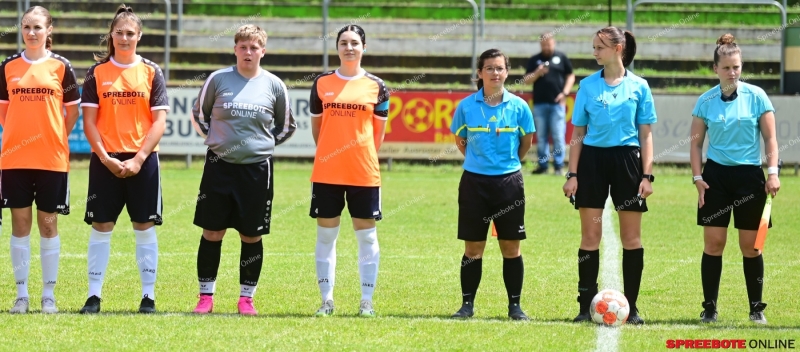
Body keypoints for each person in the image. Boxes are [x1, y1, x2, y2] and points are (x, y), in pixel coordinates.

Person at [191, 24, 296, 316]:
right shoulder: (218, 79)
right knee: (212, 232)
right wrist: (216, 140)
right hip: (218, 167)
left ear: (263, 50)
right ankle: (205, 297)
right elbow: (200, 113)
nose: (248, 52)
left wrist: (263, 145)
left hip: (257, 170)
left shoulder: (274, 85)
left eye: (254, 47)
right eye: (243, 47)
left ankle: (246, 298)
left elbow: (286, 126)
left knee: (251, 235)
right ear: (235, 49)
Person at [562, 26, 656, 325]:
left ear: (618, 49)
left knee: (632, 238)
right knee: (590, 236)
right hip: (592, 163)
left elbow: (646, 134)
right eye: (593, 47)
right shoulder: (587, 86)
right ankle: (583, 306)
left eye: (599, 47)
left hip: (628, 162)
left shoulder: (640, 86)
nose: (594, 52)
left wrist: (647, 175)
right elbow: (578, 133)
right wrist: (572, 173)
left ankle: (632, 307)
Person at [79, 4, 169, 314]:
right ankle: (93, 296)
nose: (125, 37)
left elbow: (159, 123)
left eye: (130, 33)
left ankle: (148, 297)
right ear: (111, 36)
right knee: (101, 225)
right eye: (119, 32)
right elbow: (89, 122)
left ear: (139, 36)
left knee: (144, 226)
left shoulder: (151, 71)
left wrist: (139, 158)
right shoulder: (98, 72)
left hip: (142, 162)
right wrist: (105, 158)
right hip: (105, 161)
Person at [689, 33, 780, 325]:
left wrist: (773, 173)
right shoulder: (705, 101)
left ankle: (756, 309)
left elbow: (771, 139)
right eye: (727, 67)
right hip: (715, 178)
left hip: (750, 178)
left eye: (737, 67)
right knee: (713, 244)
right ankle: (710, 309)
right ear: (715, 68)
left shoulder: (757, 97)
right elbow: (695, 143)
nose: (732, 72)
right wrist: (697, 177)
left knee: (752, 246)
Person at [0, 5, 80, 314]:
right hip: (15, 159)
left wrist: (54, 134)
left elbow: (72, 111)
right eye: (26, 27)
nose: (31, 32)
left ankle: (48, 296)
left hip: (52, 159)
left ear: (49, 32)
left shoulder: (61, 67)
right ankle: (22, 295)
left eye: (37, 27)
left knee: (48, 226)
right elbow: (4, 113)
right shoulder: (8, 66)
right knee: (20, 225)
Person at [449, 48, 535, 321]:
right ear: (479, 73)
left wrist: (505, 165)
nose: (495, 73)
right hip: (474, 183)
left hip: (509, 183)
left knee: (511, 248)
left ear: (507, 72)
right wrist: (480, 163)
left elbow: (525, 144)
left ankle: (515, 307)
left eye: (500, 68)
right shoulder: (466, 106)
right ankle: (466, 306)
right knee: (473, 248)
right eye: (489, 68)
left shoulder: (520, 107)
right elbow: (460, 141)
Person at [309, 24, 389, 318]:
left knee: (367, 237)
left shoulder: (377, 86)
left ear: (364, 47)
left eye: (355, 42)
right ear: (337, 47)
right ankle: (326, 300)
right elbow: (318, 130)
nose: (349, 47)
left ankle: (366, 301)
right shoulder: (321, 84)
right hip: (327, 172)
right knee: (325, 237)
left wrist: (359, 155)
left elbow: (377, 136)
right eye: (343, 42)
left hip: (363, 173)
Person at [524, 32, 575, 175]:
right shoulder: (535, 60)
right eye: (544, 44)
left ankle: (559, 165)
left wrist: (564, 93)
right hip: (539, 103)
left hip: (557, 104)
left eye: (549, 43)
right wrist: (537, 73)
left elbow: (570, 76)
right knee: (541, 136)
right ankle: (543, 166)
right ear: (540, 44)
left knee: (558, 135)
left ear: (554, 43)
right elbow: (526, 80)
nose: (547, 47)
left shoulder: (561, 57)